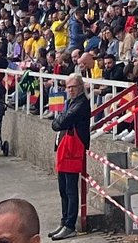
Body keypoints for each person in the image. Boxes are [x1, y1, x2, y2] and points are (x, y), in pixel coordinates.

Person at [48, 75, 91, 239]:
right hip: (64, 147)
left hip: (73, 149)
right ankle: (64, 220)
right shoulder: (70, 102)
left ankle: (70, 224)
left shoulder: (81, 104)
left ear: (80, 86)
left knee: (71, 190)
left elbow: (61, 121)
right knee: (63, 189)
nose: (70, 90)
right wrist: (58, 121)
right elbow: (59, 121)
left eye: (73, 86)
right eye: (68, 87)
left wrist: (58, 120)